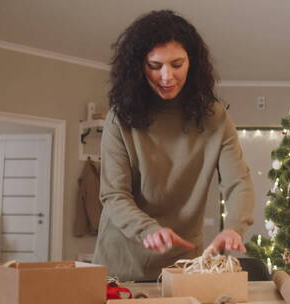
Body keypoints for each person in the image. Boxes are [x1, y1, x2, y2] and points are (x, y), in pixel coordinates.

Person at [93, 10, 255, 281]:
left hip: (183, 263)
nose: (166, 76)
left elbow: (238, 181)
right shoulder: (119, 118)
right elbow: (113, 194)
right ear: (139, 67)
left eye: (176, 64)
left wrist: (235, 227)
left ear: (192, 62)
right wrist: (148, 230)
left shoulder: (215, 117)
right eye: (154, 66)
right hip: (121, 261)